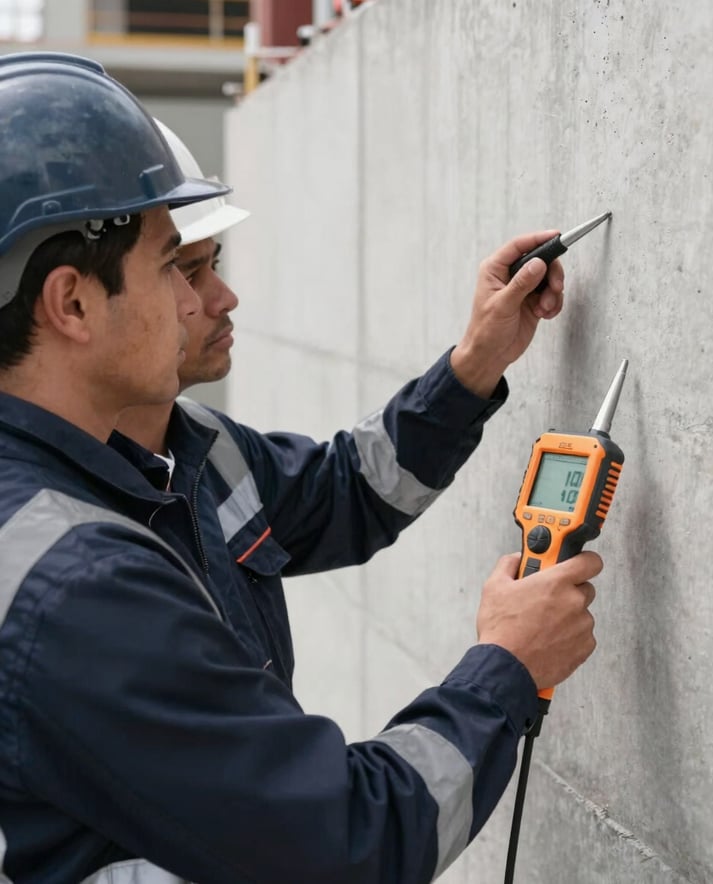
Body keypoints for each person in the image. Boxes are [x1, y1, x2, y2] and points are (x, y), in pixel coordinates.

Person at [0, 53, 601, 884]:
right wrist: (508, 667)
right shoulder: (71, 586)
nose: (198, 300)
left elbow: (342, 492)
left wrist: (471, 368)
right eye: (171, 263)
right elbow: (341, 846)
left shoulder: (156, 462)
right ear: (71, 303)